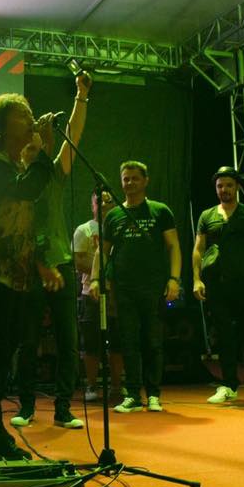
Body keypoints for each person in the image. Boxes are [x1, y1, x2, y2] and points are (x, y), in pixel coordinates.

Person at [0, 93, 56, 461]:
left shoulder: (11, 166)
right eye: (24, 115)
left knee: (4, 352)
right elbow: (28, 189)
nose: (32, 119)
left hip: (13, 274)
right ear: (4, 125)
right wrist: (42, 151)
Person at [10, 72, 92, 430]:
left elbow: (73, 135)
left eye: (39, 147)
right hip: (29, 269)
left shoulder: (56, 173)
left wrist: (81, 96)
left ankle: (63, 408)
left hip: (61, 264)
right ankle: (27, 406)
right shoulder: (14, 181)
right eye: (30, 148)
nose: (37, 151)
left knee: (67, 341)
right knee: (27, 341)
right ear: (21, 154)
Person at [89, 161, 182, 413]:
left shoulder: (160, 211)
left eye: (134, 178)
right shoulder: (113, 216)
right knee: (128, 342)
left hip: (154, 287)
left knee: (153, 341)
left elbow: (173, 246)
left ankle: (153, 394)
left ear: (145, 181)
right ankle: (132, 394)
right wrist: (96, 278)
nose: (129, 183)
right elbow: (102, 252)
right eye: (126, 179)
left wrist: (174, 279)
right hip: (124, 289)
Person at [192, 166, 244, 405]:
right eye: (220, 186)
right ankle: (228, 385)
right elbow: (198, 249)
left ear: (237, 187)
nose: (224, 189)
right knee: (224, 336)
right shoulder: (207, 216)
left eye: (228, 185)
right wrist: (196, 279)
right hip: (216, 284)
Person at [73, 190, 124, 402]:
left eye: (107, 201)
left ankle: (117, 386)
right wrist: (102, 274)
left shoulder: (121, 227)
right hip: (91, 292)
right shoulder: (84, 230)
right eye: (98, 201)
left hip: (117, 293)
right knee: (91, 342)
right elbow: (78, 261)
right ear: (92, 205)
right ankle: (92, 385)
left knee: (117, 340)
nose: (103, 204)